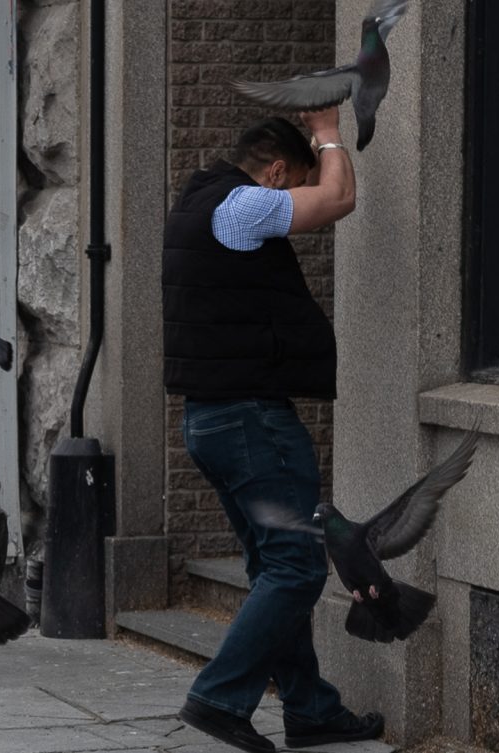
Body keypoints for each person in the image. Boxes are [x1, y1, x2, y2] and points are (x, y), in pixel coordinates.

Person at [162, 106, 384, 753]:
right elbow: (339, 195)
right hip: (250, 419)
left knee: (271, 563)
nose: (297, 203)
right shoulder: (244, 206)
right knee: (294, 567)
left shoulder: (197, 201)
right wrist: (330, 133)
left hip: (209, 419)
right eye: (297, 183)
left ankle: (310, 708)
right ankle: (218, 695)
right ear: (278, 171)